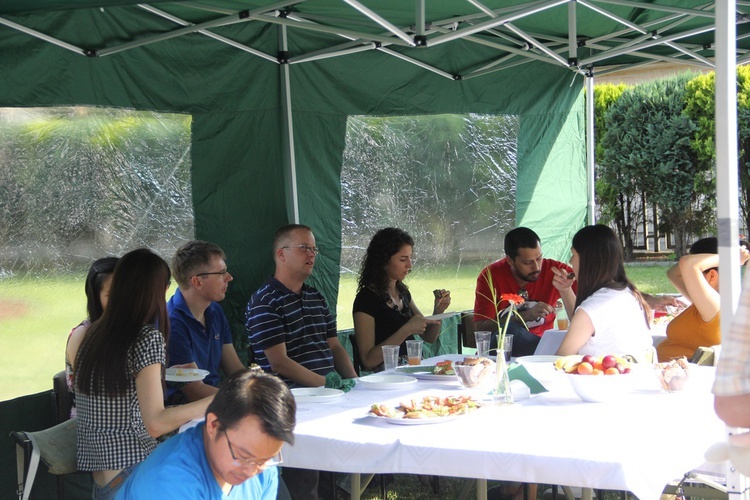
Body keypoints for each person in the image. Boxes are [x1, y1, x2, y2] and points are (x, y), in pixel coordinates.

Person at [75, 248, 213, 499]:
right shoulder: (146, 337)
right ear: (156, 289)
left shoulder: (92, 333)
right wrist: (219, 401)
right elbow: (155, 423)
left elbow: (126, 404)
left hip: (103, 482)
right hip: (133, 477)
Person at [246, 224, 357, 499]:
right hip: (293, 404)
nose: (312, 254)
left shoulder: (316, 296)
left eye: (314, 248)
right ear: (281, 254)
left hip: (329, 397)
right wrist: (326, 383)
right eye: (304, 247)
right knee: (304, 481)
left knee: (337, 468)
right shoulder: (265, 301)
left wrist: (353, 380)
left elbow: (335, 346)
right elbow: (279, 363)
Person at [115, 369, 296, 499]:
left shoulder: (262, 468)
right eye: (242, 456)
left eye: (264, 460)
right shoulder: (169, 483)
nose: (251, 471)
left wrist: (259, 462)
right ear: (213, 425)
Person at [352, 227, 450, 371]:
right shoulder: (366, 300)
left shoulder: (403, 292)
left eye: (410, 258)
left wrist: (439, 310)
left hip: (413, 370)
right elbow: (368, 360)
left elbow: (429, 337)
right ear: (384, 260)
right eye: (403, 259)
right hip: (388, 378)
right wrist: (406, 330)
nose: (409, 265)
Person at [474, 227, 576, 357]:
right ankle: (550, 354)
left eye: (539, 258)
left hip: (539, 348)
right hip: (501, 354)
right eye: (528, 262)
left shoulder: (554, 270)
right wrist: (524, 316)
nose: (537, 267)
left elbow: (590, 296)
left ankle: (548, 353)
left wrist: (566, 289)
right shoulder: (490, 276)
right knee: (509, 332)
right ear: (510, 260)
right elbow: (481, 329)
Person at [556, 225, 652, 361]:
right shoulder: (629, 294)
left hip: (602, 380)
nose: (570, 261)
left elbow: (559, 360)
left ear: (587, 259)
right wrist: (565, 291)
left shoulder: (592, 308)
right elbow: (583, 327)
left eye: (573, 254)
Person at [167, 240, 245, 403]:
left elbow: (235, 370)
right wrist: (251, 398)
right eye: (221, 272)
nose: (229, 278)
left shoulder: (215, 311)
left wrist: (263, 387)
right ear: (197, 282)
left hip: (215, 404)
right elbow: (195, 391)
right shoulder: (172, 322)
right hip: (184, 417)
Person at [657, 238, 750, 362]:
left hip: (672, 375)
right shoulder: (709, 303)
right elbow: (673, 273)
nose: (687, 277)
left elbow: (688, 264)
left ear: (712, 276)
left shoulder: (716, 306)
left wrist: (732, 258)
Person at [65, 256, 119, 418]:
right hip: (93, 426)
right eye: (111, 295)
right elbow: (94, 391)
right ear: (96, 298)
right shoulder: (83, 334)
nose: (121, 300)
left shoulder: (136, 330)